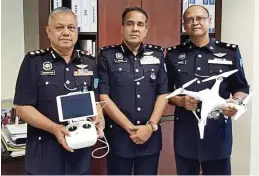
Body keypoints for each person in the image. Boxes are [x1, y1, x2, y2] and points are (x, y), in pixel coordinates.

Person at [13, 7, 104, 175]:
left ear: (76, 31)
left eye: (71, 28)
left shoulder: (89, 63)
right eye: (59, 27)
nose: (66, 33)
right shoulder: (34, 62)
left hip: (79, 152)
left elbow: (95, 99)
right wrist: (54, 128)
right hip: (45, 155)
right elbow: (22, 107)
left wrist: (99, 118)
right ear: (49, 31)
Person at [165, 5, 249, 175]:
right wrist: (180, 101)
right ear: (184, 24)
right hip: (186, 134)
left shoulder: (229, 52)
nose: (195, 23)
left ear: (209, 21)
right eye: (189, 20)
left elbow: (241, 88)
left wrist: (235, 102)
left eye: (200, 18)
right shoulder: (174, 55)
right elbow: (165, 93)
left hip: (217, 133)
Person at [98, 7, 168, 175]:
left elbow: (163, 94)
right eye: (130, 24)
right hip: (119, 137)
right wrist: (130, 128)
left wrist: (150, 127)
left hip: (150, 138)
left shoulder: (157, 55)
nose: (135, 28)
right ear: (122, 29)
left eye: (140, 24)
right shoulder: (107, 56)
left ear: (146, 30)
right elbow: (103, 96)